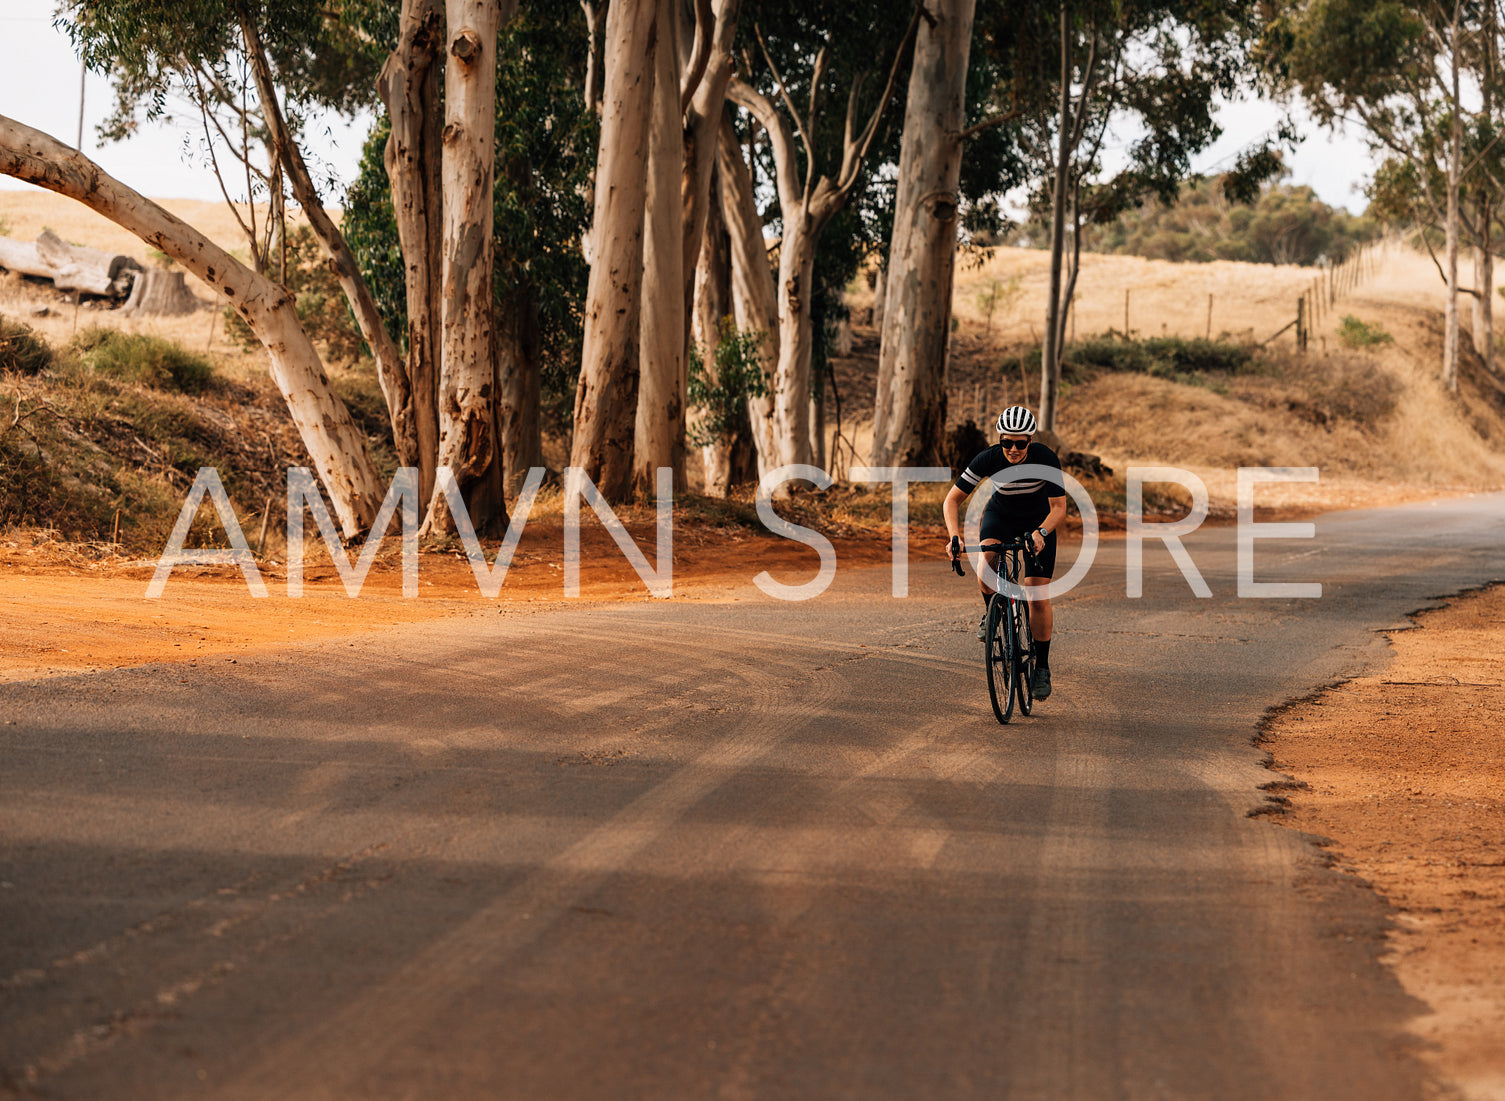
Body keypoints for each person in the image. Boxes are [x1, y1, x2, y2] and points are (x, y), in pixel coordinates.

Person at [943, 405, 1066, 700]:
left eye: (1020, 443)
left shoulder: (1045, 459)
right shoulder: (988, 459)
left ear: (1030, 440)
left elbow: (1059, 509)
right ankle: (991, 612)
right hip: (1001, 515)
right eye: (1006, 442)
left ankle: (1042, 668)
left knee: (1037, 594)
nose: (1012, 449)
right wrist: (954, 537)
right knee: (985, 561)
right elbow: (951, 500)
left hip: (1038, 522)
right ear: (999, 439)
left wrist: (1041, 533)